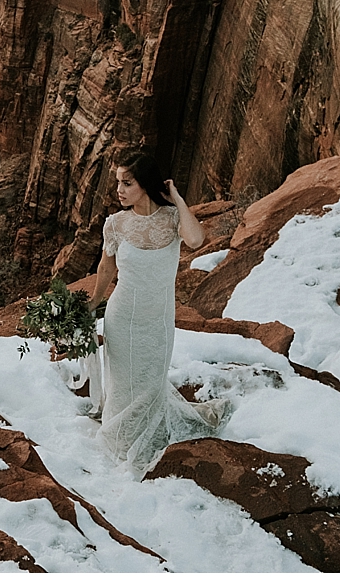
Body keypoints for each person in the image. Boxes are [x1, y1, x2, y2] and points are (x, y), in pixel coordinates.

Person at [87, 149, 231, 476]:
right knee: (123, 382)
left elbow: (195, 240)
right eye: (118, 182)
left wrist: (177, 198)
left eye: (127, 183)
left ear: (147, 185)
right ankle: (123, 437)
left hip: (158, 320)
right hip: (122, 317)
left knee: (151, 381)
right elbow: (106, 268)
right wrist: (94, 302)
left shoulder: (172, 219)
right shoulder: (116, 224)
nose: (119, 190)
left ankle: (149, 435)